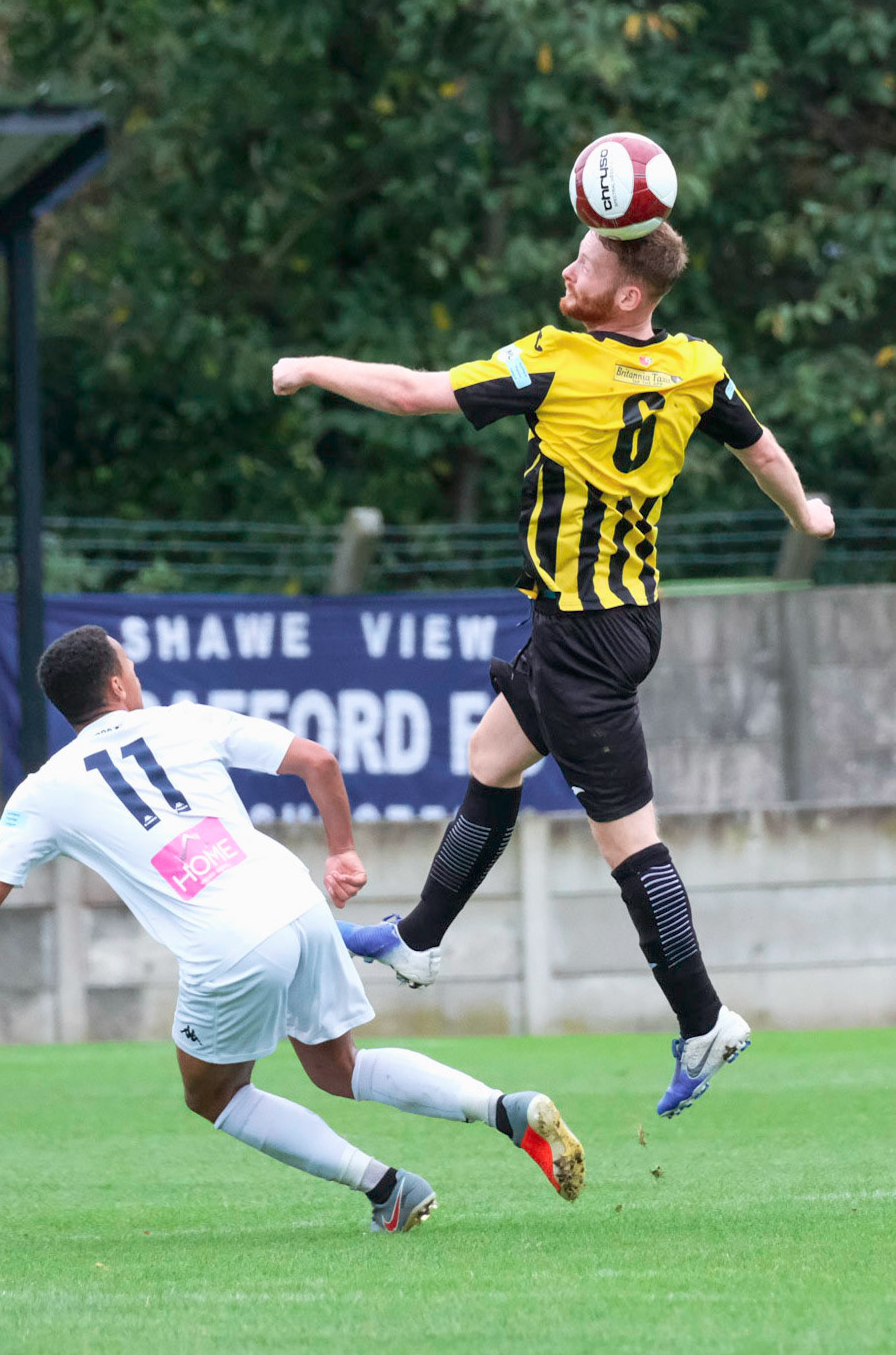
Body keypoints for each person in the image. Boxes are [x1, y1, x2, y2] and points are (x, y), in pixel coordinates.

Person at [272, 221, 835, 1119]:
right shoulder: (693, 364)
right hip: (618, 619)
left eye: (588, 263)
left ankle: (703, 1020)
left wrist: (309, 366)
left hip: (584, 640)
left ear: (627, 295)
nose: (567, 269)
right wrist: (804, 512)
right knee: (492, 757)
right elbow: (758, 449)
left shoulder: (556, 361)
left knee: (629, 843)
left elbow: (414, 395)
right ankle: (418, 939)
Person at [0, 624, 584, 1231]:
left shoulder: (43, 791)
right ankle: (504, 1109)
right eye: (131, 667)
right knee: (340, 1068)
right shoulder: (184, 721)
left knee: (211, 1094)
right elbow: (319, 762)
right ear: (115, 686)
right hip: (296, 899)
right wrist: (341, 852)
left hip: (228, 944)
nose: (137, 677)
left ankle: (386, 1189)